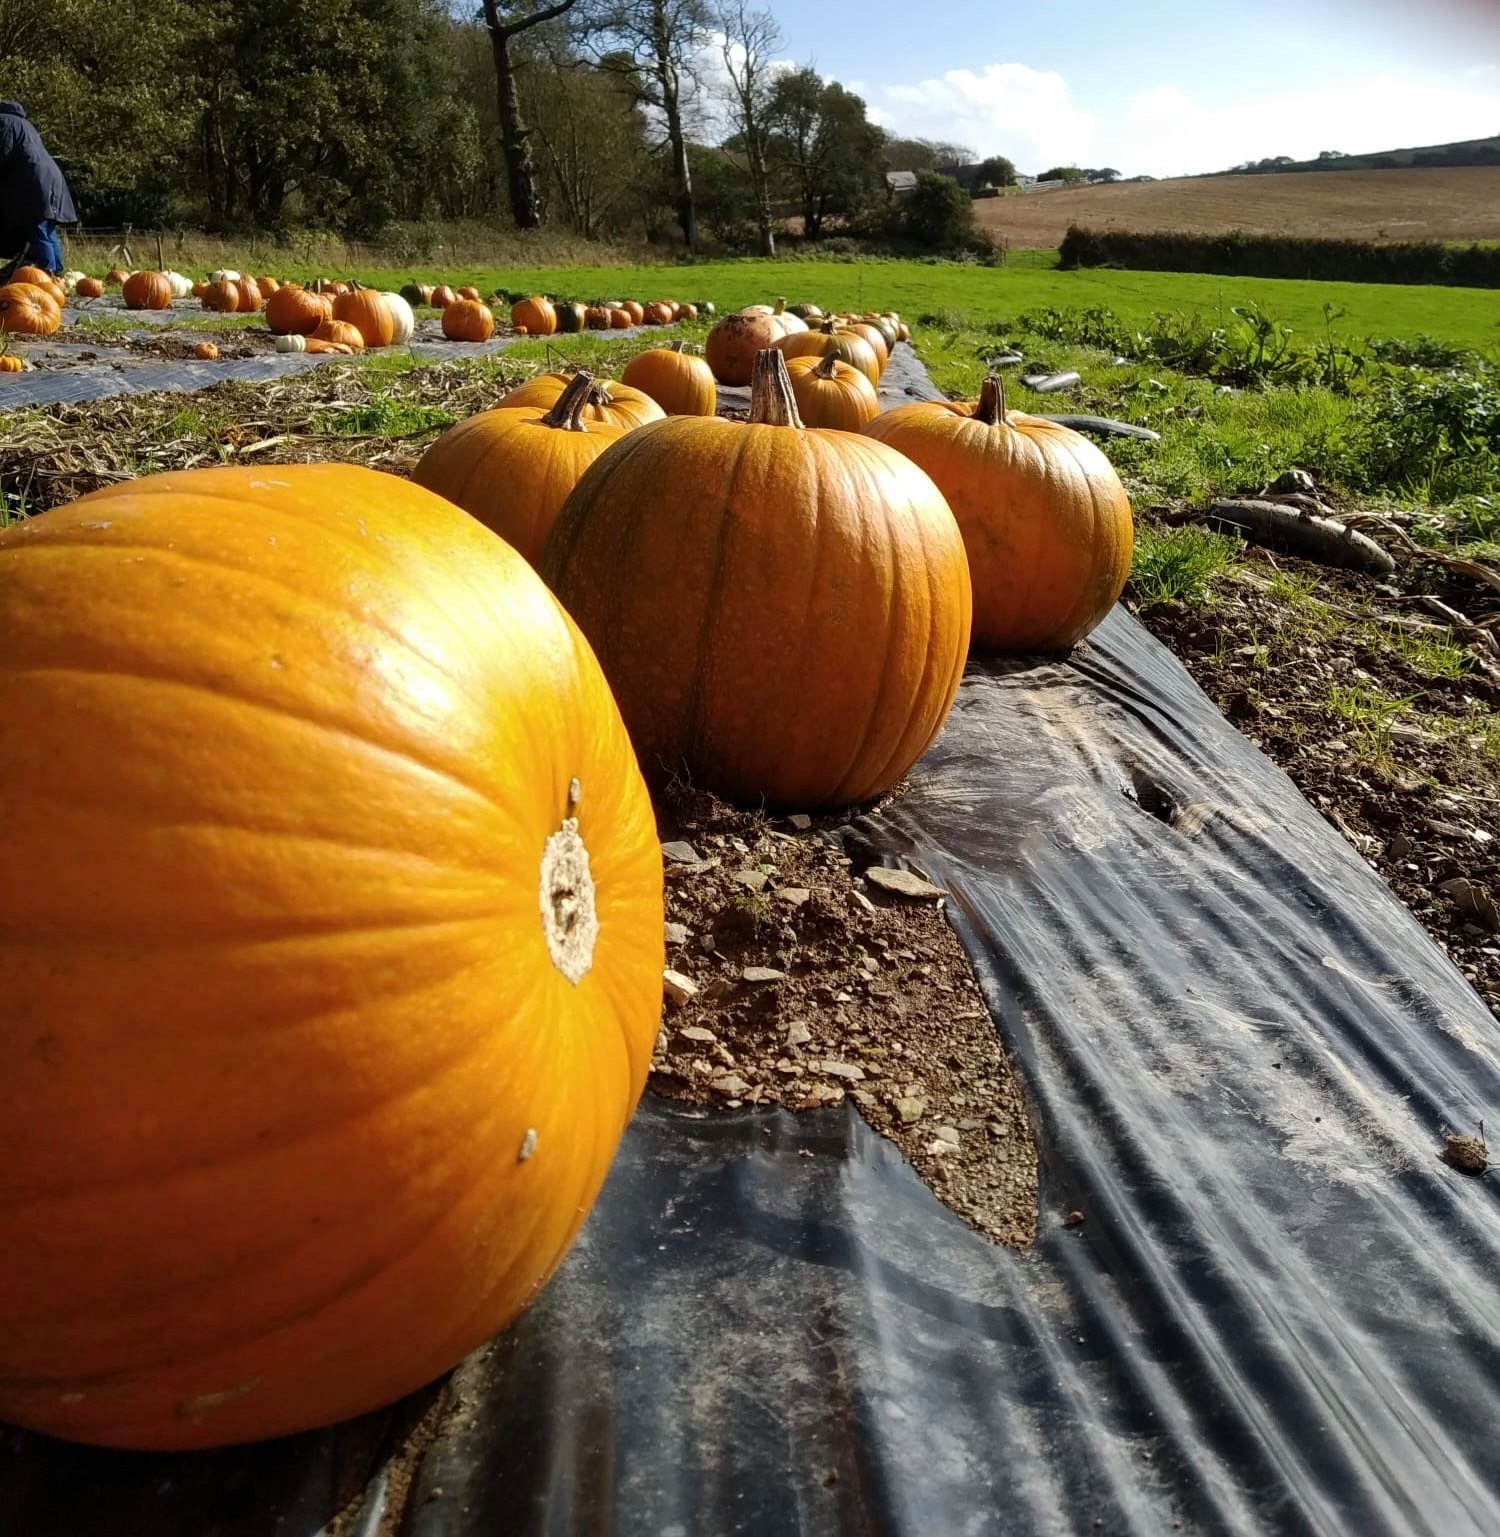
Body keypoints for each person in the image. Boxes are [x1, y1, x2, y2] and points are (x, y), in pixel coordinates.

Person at [0, 102, 76, 277]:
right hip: (49, 178)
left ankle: (47, 276)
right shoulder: (24, 124)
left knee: (38, 229)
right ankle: (57, 276)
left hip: (34, 182)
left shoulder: (5, 122)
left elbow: (3, 151)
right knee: (47, 230)